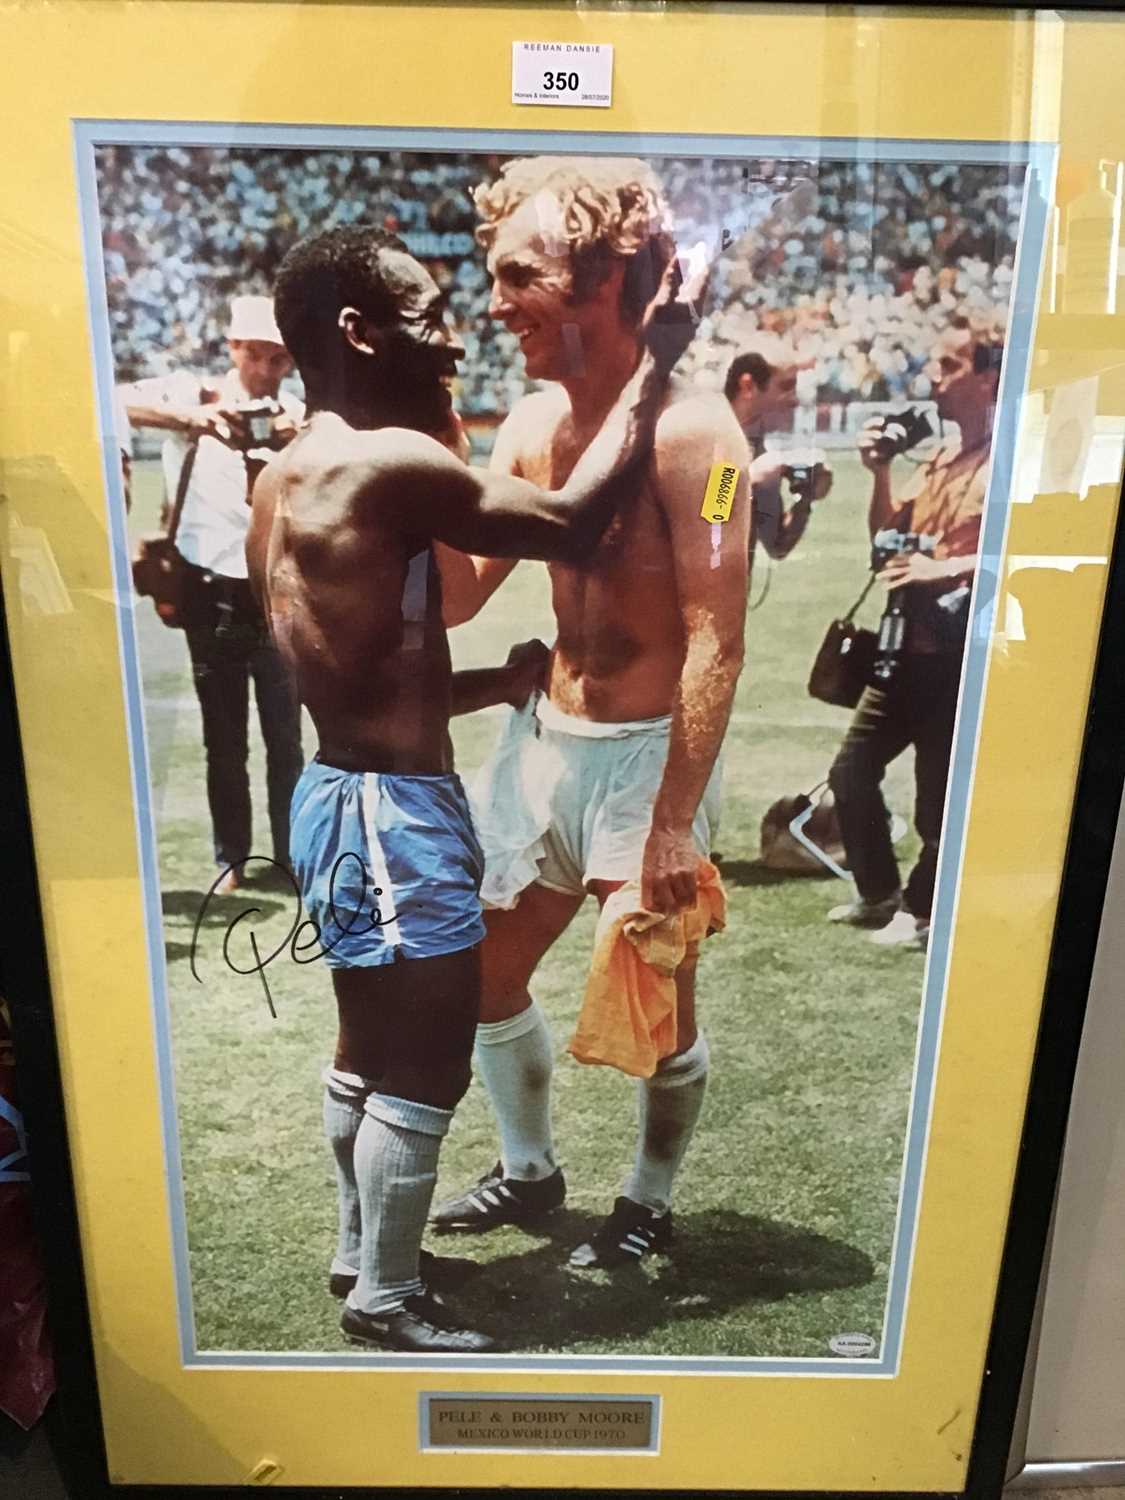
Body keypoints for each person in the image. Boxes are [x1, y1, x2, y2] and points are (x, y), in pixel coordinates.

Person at [246, 223, 700, 1353]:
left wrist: (482, 682)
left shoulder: (288, 470)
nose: (453, 335)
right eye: (425, 313)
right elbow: (575, 520)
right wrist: (660, 361)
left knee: (362, 1047)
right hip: (396, 815)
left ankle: (364, 1251)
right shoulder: (390, 462)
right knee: (427, 1061)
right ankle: (387, 1300)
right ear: (357, 331)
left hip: (335, 795)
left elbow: (355, 664)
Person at [431, 157, 751, 1269]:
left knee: (655, 1001)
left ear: (609, 279)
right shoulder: (527, 423)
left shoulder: (703, 439)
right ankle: (530, 1172)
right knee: (482, 979)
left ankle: (648, 1198)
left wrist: (673, 818)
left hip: (646, 764)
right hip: (547, 750)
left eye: (520, 273)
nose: (497, 297)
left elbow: (717, 630)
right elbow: (464, 587)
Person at [826, 320, 1002, 949]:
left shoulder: (1008, 459)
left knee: (936, 799)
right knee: (850, 773)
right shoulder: (938, 458)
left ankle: (923, 909)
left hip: (955, 652)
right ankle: (879, 892)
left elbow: (1027, 551)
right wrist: (879, 473)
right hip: (905, 647)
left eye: (949, 366)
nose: (932, 378)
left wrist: (943, 567)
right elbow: (883, 547)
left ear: (988, 377)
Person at [125, 296, 305, 892]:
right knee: (222, 738)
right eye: (257, 356)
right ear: (233, 349)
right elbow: (113, 398)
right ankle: (230, 857)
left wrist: (295, 434)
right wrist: (191, 422)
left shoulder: (296, 415)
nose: (267, 371)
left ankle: (290, 855)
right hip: (207, 588)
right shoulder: (191, 395)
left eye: (280, 361)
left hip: (274, 592)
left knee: (285, 737)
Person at [725, 348, 831, 562]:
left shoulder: (756, 446)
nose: (794, 400)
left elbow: (777, 545)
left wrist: (805, 496)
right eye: (785, 387)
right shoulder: (710, 433)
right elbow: (710, 519)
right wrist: (750, 477)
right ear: (748, 386)